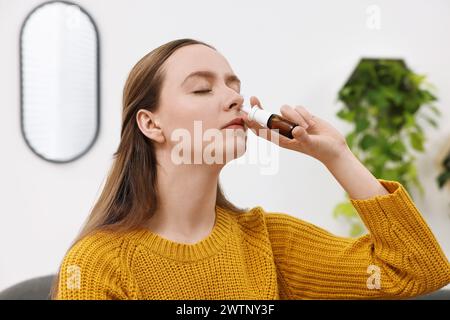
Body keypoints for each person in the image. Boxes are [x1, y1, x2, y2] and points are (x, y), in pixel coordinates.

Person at [52, 38, 450, 299]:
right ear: (151, 124)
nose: (234, 100)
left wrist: (337, 156)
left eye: (234, 86)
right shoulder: (97, 265)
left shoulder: (269, 243)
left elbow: (418, 269)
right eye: (202, 88)